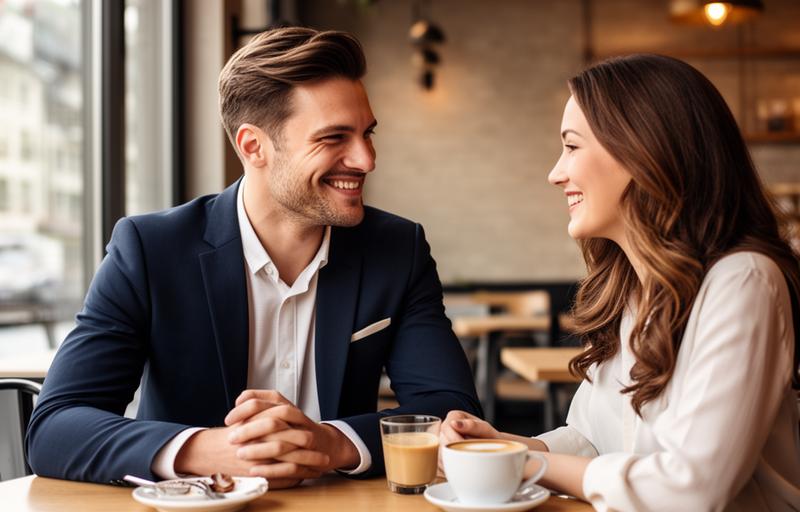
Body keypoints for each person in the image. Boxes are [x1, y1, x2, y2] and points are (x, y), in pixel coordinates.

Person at [26, 27, 481, 487]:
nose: (366, 159)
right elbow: (55, 428)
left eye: (367, 133)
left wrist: (331, 444)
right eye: (334, 138)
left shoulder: (397, 249)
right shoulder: (150, 249)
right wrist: (211, 450)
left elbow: (452, 409)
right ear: (253, 146)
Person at [441, 54, 800, 511]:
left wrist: (522, 465)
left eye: (571, 147)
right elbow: (589, 438)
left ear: (642, 151)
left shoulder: (743, 281)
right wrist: (498, 447)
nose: (556, 173)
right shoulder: (631, 289)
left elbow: (689, 490)